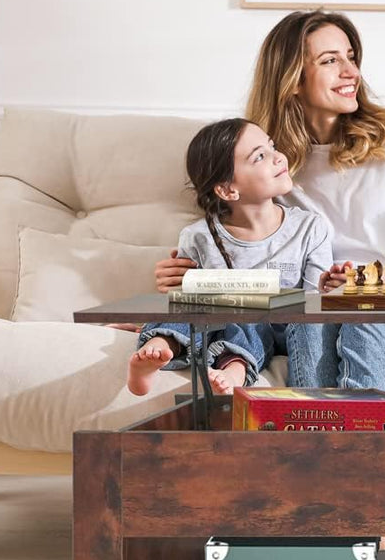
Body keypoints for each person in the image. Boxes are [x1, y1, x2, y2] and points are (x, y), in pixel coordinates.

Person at [155, 10, 385, 392]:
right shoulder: (267, 165)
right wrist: (188, 277)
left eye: (351, 57)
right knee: (311, 320)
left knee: (360, 318)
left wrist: (362, 281)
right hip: (309, 313)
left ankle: (368, 437)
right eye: (331, 61)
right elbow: (234, 245)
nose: (352, 73)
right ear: (293, 80)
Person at [128, 117, 332, 397]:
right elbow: (183, 300)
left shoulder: (310, 228)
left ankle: (239, 375)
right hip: (227, 325)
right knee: (195, 309)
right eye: (260, 156)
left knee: (254, 321)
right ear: (227, 189)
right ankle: (161, 347)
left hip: (286, 330)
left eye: (271, 146)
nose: (278, 157)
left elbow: (314, 301)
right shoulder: (197, 236)